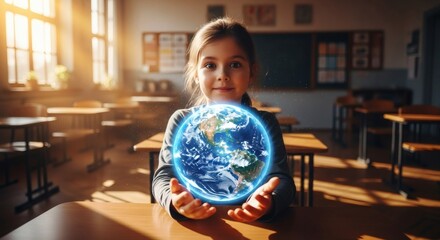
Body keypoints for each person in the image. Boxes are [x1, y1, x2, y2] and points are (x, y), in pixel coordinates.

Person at [152, 17, 295, 222]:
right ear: (195, 74)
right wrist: (175, 201)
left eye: (235, 64)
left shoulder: (265, 123)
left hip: (253, 226)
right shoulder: (181, 121)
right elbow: (163, 178)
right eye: (210, 65)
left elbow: (282, 182)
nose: (222, 75)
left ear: (252, 72)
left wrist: (269, 201)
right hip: (195, 224)